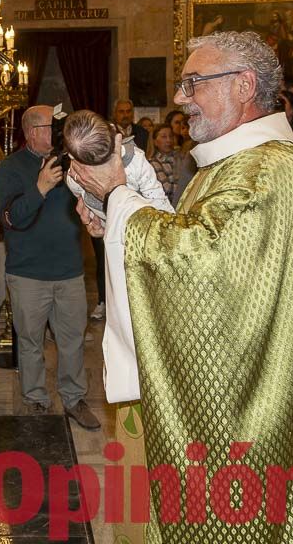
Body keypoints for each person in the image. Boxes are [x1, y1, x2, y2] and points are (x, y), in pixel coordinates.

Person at [70, 31, 293, 543]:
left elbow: (196, 263)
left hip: (240, 404)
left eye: (194, 83)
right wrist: (116, 221)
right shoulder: (233, 162)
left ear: (244, 86)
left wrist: (116, 195)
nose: (180, 98)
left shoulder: (264, 169)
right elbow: (191, 240)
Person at [0, 105, 101, 430]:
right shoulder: (11, 168)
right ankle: (36, 400)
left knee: (72, 340)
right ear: (31, 131)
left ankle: (74, 399)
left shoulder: (71, 164)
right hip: (28, 273)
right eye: (50, 126)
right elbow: (11, 218)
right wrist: (39, 187)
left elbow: (94, 200)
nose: (56, 132)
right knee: (30, 341)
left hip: (69, 270)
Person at [61, 111, 173, 405]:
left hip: (137, 247)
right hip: (138, 243)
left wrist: (108, 221)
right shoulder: (135, 161)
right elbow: (161, 209)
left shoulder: (75, 177)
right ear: (115, 138)